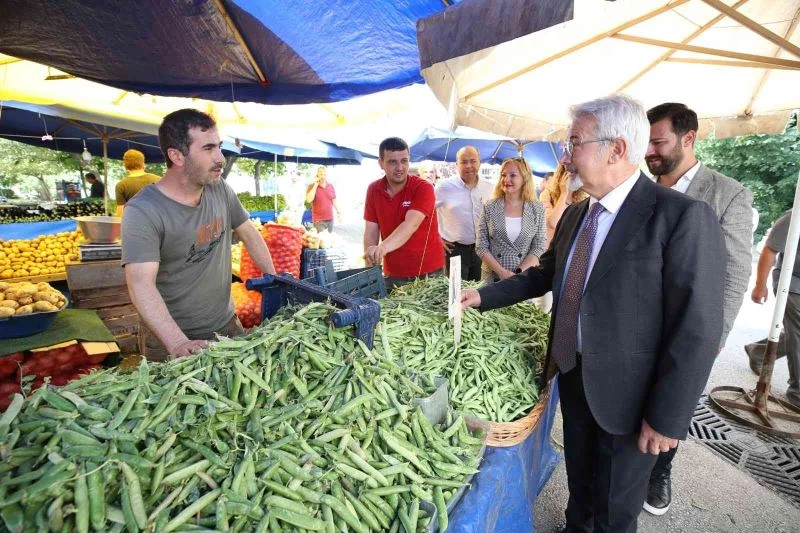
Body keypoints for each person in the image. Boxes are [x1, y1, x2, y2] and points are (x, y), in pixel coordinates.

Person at [461, 94, 726, 533]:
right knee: (581, 482)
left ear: (616, 149)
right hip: (574, 374)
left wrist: (667, 416)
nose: (565, 158)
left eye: (574, 143)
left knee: (615, 506)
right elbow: (544, 275)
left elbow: (696, 327)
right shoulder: (576, 215)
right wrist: (483, 297)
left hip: (631, 397)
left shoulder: (679, 217)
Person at [643, 102, 754, 517]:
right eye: (647, 142)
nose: (650, 151)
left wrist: (714, 337)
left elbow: (735, 274)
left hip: (690, 326)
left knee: (675, 402)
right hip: (638, 324)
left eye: (658, 142)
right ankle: (631, 468)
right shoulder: (642, 188)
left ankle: (660, 472)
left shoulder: (728, 194)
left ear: (688, 139)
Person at [122, 109, 276, 361]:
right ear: (176, 156)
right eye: (208, 149)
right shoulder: (143, 211)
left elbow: (249, 232)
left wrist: (274, 278)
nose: (220, 158)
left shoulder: (219, 189)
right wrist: (178, 342)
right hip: (171, 338)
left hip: (226, 327)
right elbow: (140, 283)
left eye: (219, 147)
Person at [363, 137, 444, 291]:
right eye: (392, 162)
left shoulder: (423, 188)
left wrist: (382, 248)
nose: (400, 167)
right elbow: (371, 231)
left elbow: (411, 224)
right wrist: (370, 263)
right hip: (393, 272)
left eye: (404, 161)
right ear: (381, 163)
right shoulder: (373, 190)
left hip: (428, 271)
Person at [747, 210, 800, 408]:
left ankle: (759, 352)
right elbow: (770, 249)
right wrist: (760, 285)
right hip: (792, 281)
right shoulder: (795, 216)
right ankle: (798, 392)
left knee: (795, 333)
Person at [476, 157, 546, 283]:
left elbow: (539, 246)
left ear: (525, 179)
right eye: (503, 175)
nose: (506, 179)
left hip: (523, 278)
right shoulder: (490, 206)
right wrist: (501, 272)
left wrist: (518, 273)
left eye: (513, 175)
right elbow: (481, 246)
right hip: (491, 278)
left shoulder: (537, 208)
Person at [435, 146, 494, 281]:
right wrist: (436, 237)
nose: (469, 166)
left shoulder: (489, 187)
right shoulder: (444, 187)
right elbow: (426, 215)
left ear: (480, 162)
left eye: (473, 161)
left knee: (479, 292)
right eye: (464, 162)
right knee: (455, 294)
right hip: (454, 251)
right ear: (457, 165)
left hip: (482, 250)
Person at [540, 164, 589, 249]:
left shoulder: (584, 197)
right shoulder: (547, 194)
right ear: (562, 175)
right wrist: (565, 193)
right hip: (549, 248)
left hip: (568, 247)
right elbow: (553, 223)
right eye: (570, 174)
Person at [115, 149, 161, 217]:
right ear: (143, 163)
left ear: (125, 165)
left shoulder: (121, 185)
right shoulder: (159, 180)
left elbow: (120, 215)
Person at [305, 167, 340, 232]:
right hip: (318, 220)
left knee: (329, 240)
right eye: (321, 174)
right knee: (321, 240)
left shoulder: (331, 186)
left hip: (330, 219)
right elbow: (309, 200)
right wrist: (315, 185)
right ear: (317, 175)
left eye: (324, 174)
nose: (323, 176)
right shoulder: (311, 186)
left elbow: (334, 201)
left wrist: (339, 212)